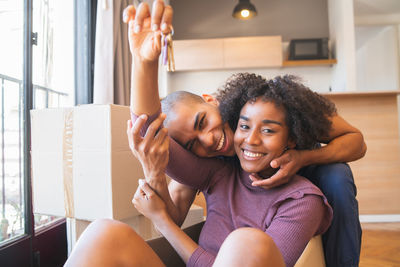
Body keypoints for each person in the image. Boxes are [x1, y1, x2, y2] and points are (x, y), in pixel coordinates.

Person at [123, 2, 365, 266]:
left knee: (337, 175)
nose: (208, 140)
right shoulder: (214, 167)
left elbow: (356, 142)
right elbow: (154, 140)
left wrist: (303, 158)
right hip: (240, 186)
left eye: (203, 122)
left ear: (212, 101)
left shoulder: (282, 107)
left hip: (304, 163)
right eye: (192, 144)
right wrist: (143, 62)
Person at [66, 74, 333, 267]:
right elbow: (150, 129)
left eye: (268, 130)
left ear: (292, 139)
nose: (251, 140)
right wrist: (144, 59)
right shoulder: (219, 172)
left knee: (246, 243)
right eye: (244, 126)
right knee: (104, 233)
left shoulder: (304, 201)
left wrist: (163, 221)